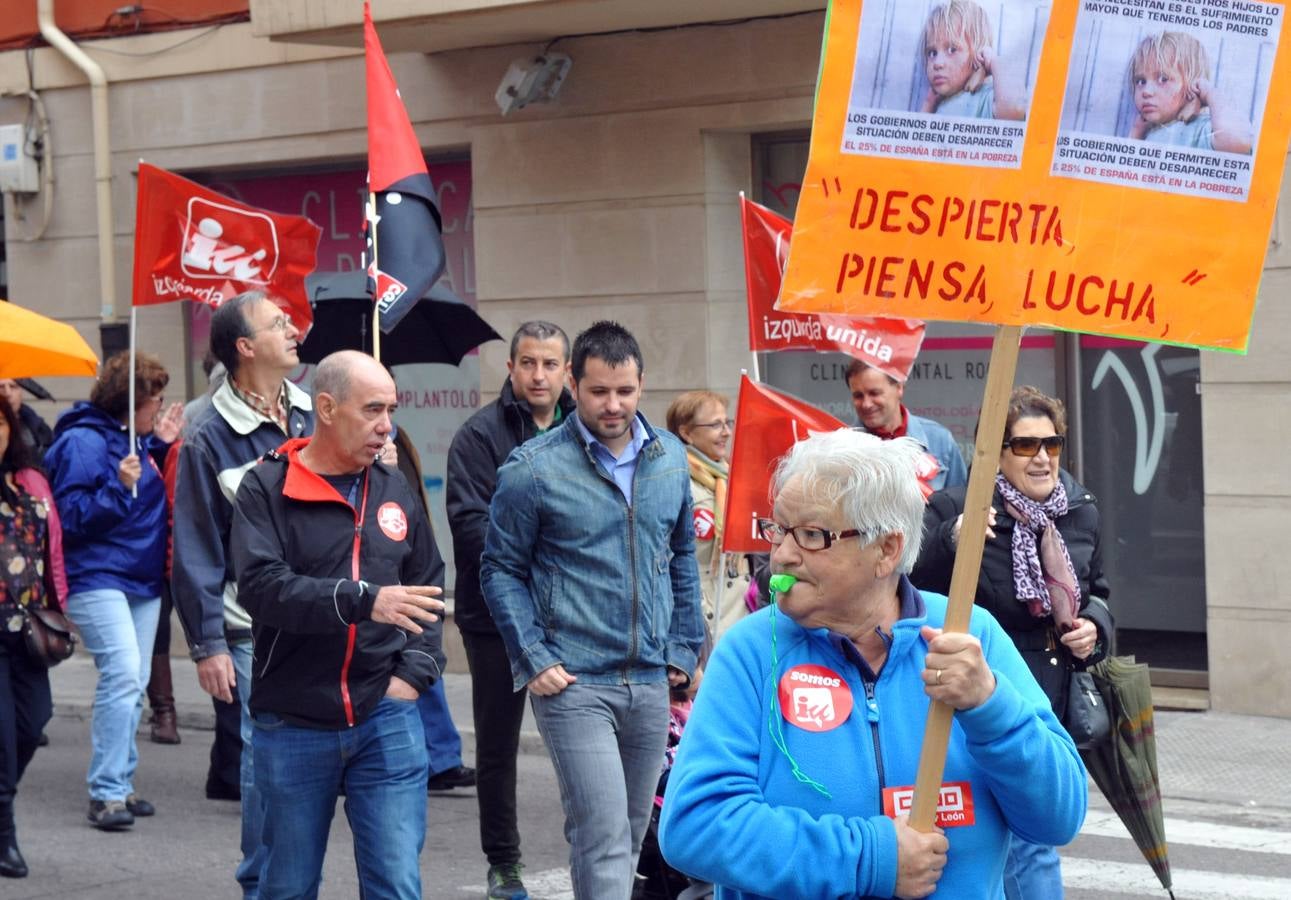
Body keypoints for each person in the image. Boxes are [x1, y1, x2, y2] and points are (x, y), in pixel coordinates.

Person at [658, 429, 1087, 898]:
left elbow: (1058, 817)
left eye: (811, 535)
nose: (781, 555)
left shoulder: (967, 633)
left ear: (886, 549)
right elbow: (695, 824)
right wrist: (871, 858)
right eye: (779, 528)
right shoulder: (751, 651)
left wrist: (991, 705)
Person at [481, 321, 705, 900]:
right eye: (599, 391)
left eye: (625, 392)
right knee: (602, 835)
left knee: (630, 835)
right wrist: (532, 657)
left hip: (650, 679)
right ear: (572, 386)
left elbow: (680, 554)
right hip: (574, 682)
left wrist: (684, 646)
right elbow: (498, 569)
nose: (614, 405)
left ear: (641, 386)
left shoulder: (670, 459)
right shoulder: (532, 469)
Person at [230, 350, 446, 900]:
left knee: (396, 885)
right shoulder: (267, 487)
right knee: (289, 886)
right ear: (325, 407)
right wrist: (360, 599)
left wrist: (414, 674)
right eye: (372, 409)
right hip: (294, 721)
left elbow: (427, 582)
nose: (386, 425)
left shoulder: (394, 485)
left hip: (386, 716)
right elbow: (262, 588)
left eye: (391, 409)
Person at [912, 385, 1113, 899]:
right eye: (1026, 445)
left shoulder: (1081, 508)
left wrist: (1094, 626)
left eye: (1052, 444)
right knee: (1023, 843)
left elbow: (1100, 593)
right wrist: (953, 540)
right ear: (996, 452)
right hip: (978, 700)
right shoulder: (958, 507)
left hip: (1051, 699)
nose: (1043, 457)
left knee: (1033, 834)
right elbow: (908, 584)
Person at [171, 293, 312, 896]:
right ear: (245, 348)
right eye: (277, 323)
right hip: (248, 626)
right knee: (265, 757)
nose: (293, 328)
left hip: (319, 612)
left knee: (306, 757)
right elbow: (195, 544)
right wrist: (207, 645)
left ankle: (288, 874)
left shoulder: (314, 410)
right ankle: (261, 883)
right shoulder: (207, 433)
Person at [446, 320, 574, 900]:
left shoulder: (588, 425)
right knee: (498, 748)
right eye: (528, 363)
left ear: (567, 370)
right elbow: (472, 527)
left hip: (573, 615)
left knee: (584, 741)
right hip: (494, 618)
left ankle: (595, 848)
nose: (539, 375)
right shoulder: (478, 435)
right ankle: (504, 863)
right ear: (511, 368)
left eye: (550, 364)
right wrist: (548, 551)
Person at [44, 351, 184, 831]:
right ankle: (105, 793)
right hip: (97, 575)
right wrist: (118, 487)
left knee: (132, 679)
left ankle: (120, 785)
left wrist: (160, 449)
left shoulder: (136, 441)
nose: (160, 408)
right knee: (124, 675)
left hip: (139, 578)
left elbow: (142, 493)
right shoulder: (82, 441)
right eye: (155, 400)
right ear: (131, 403)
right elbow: (67, 519)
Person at [387, 420, 476, 795]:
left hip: (410, 559)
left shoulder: (399, 436)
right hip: (376, 577)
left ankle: (441, 758)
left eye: (389, 404)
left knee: (425, 660)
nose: (385, 413)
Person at [0, 398, 67, 877]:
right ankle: (4, 834)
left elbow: (54, 550)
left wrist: (60, 610)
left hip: (28, 630)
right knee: (3, 740)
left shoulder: (32, 482)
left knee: (33, 722)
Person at [665, 389, 751, 639]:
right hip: (700, 617)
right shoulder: (674, 479)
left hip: (739, 612)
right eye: (715, 425)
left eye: (727, 423)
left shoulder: (735, 478)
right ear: (686, 432)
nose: (726, 432)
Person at [846, 359, 966, 492]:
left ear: (899, 388)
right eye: (858, 396)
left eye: (874, 393)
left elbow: (962, 504)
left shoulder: (939, 440)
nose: (866, 404)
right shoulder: (843, 449)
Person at [1127, 31, 1253, 154]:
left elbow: (1240, 142)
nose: (1146, 92)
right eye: (1140, 81)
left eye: (1163, 79)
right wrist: (1136, 133)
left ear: (1195, 85)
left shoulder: (1201, 129)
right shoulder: (1148, 132)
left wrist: (1211, 94)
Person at [918, 1, 1025, 121]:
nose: (937, 63)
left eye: (952, 50)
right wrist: (929, 103)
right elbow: (915, 136)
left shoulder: (985, 97)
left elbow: (1015, 111)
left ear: (979, 54)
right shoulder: (938, 105)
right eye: (932, 53)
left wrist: (994, 62)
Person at [0, 380, 54, 465]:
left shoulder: (38, 427)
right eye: (1, 387)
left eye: (13, 386)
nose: (8, 393)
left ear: (21, 392)